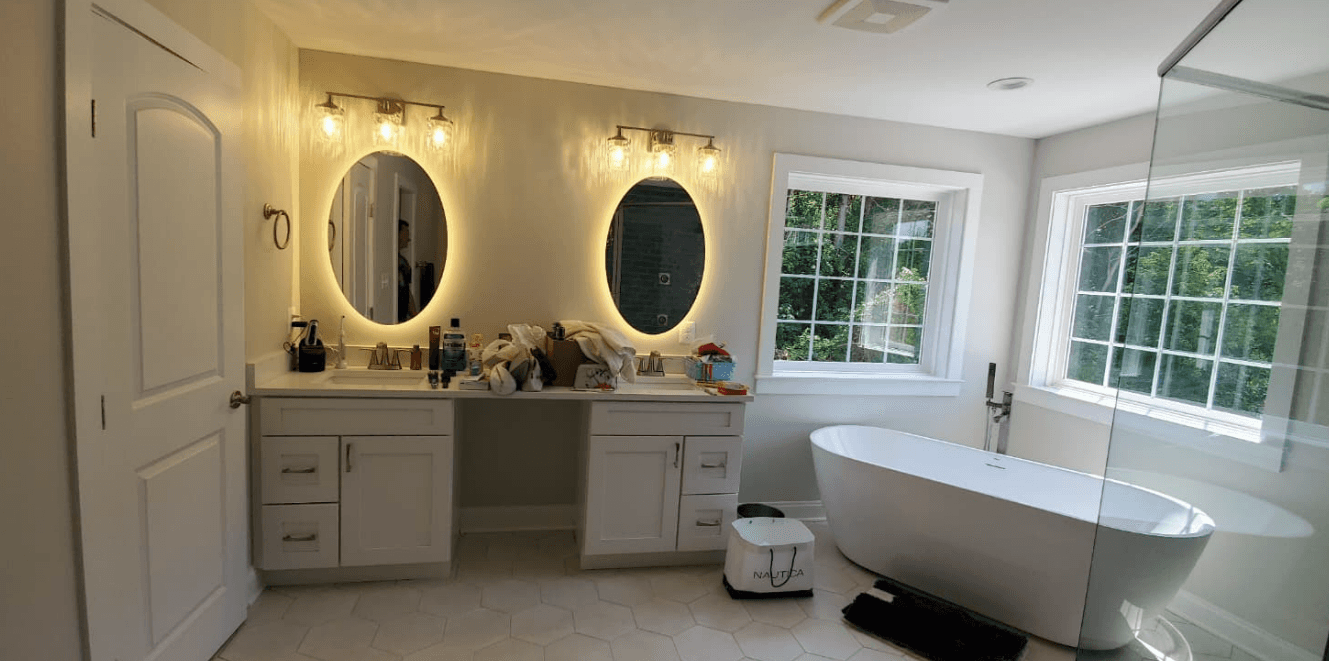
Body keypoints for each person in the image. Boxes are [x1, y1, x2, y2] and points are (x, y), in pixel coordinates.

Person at [397, 219, 417, 322]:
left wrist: (415, 316)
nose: (409, 239)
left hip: (403, 318)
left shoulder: (403, 262)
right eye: (406, 233)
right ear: (397, 234)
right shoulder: (387, 263)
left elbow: (407, 292)